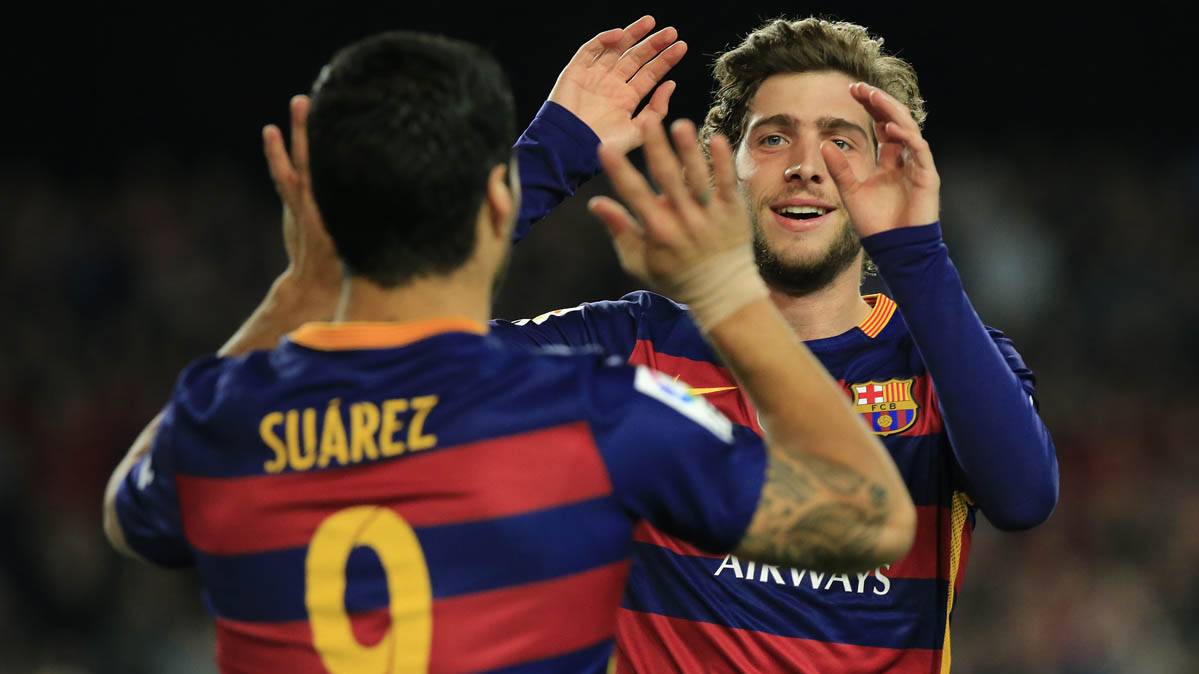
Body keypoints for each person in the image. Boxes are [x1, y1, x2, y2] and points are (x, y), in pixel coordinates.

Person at [101, 29, 915, 673]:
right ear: (499, 203)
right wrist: (725, 293)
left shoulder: (224, 418)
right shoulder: (591, 412)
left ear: (313, 203)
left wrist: (303, 286)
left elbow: (126, 514)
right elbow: (868, 519)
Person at [488, 16, 1061, 673]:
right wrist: (544, 158)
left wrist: (915, 253)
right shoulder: (628, 348)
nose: (804, 167)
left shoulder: (942, 356)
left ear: (890, 169)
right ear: (720, 167)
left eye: (841, 142)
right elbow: (382, 348)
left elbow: (1022, 497)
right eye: (772, 137)